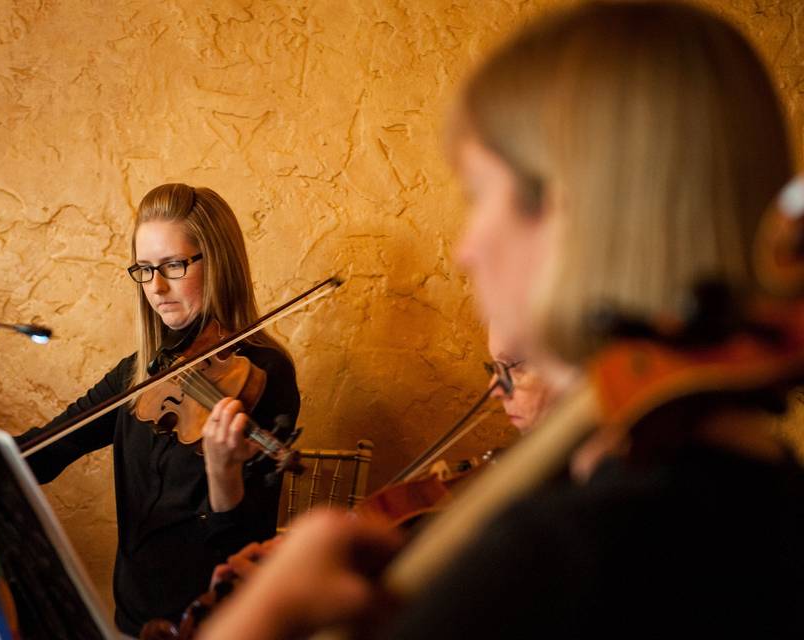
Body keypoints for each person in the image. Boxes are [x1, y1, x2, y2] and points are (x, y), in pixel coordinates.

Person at [196, 3, 804, 638]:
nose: (467, 248)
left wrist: (265, 613)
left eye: (480, 194)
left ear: (577, 216)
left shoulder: (562, 562)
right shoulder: (770, 507)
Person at [15, 183, 300, 635]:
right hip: (132, 621)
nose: (157, 287)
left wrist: (224, 476)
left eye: (173, 264)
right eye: (145, 269)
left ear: (219, 261)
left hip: (215, 624)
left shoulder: (263, 374)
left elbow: (247, 551)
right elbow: (44, 452)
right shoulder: (143, 371)